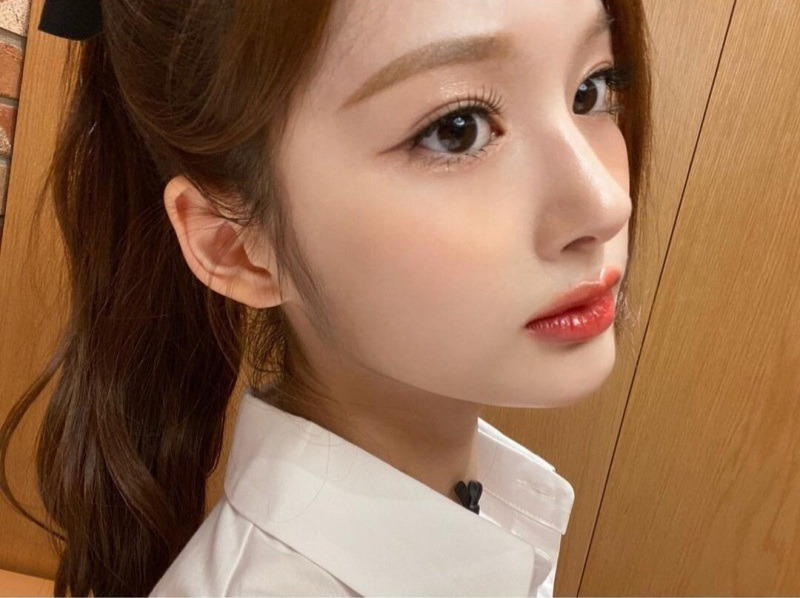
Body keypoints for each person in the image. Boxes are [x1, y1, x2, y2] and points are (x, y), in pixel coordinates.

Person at [0, 0, 652, 595]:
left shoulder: (487, 507)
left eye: (591, 90)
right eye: (457, 129)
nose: (605, 203)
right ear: (236, 245)